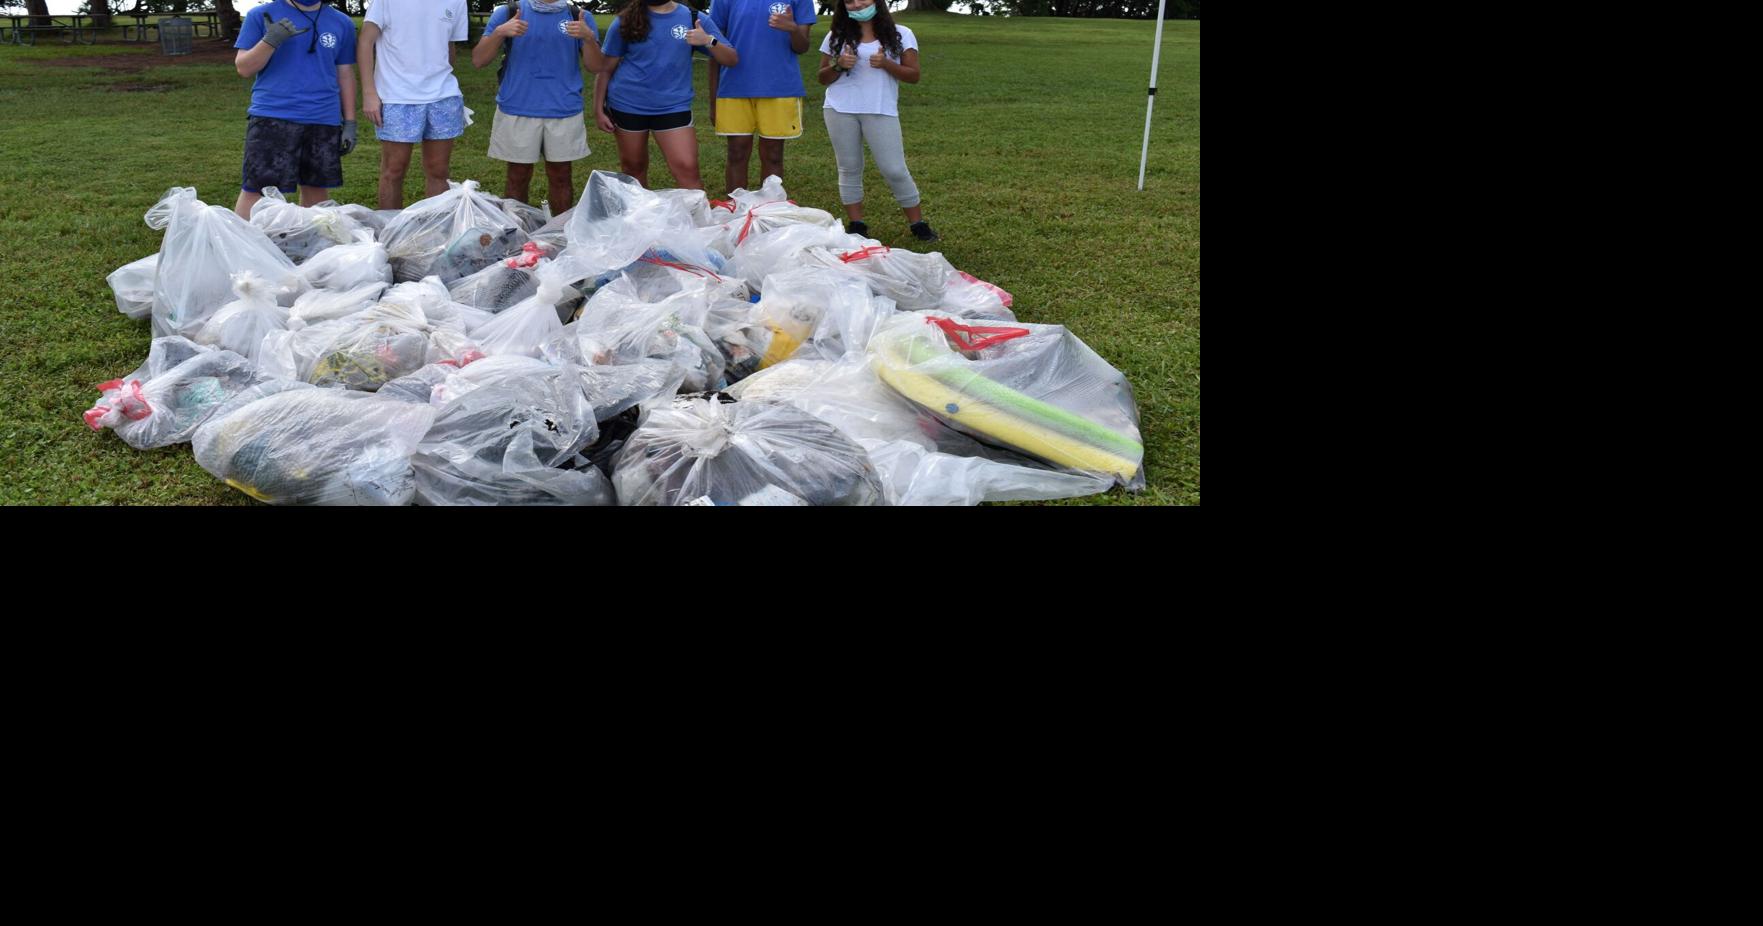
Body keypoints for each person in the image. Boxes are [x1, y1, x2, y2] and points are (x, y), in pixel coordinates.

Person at [816, 0, 937, 241]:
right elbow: (822, 77)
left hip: (879, 109)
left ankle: (918, 224)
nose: (857, 4)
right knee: (849, 167)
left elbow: (913, 75)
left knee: (894, 169)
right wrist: (838, 66)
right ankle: (857, 224)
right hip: (839, 109)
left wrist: (886, 64)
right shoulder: (835, 36)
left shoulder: (901, 34)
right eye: (849, 1)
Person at [472, 1, 606, 214]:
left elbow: (597, 66)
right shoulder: (508, 12)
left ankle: (558, 234)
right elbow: (478, 60)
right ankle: (518, 233)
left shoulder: (578, 16)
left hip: (563, 107)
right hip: (518, 105)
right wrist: (499, 33)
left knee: (561, 175)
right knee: (518, 174)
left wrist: (589, 38)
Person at [231, 0, 358, 220]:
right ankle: (238, 249)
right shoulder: (261, 15)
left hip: (323, 119)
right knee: (257, 191)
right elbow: (244, 68)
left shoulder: (342, 22)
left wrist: (350, 122)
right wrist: (270, 40)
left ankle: (311, 248)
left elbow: (344, 72)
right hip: (273, 116)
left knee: (317, 191)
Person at [594, 1, 736, 191]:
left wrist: (708, 40)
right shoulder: (625, 20)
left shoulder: (694, 18)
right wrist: (598, 110)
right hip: (627, 104)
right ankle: (640, 219)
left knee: (687, 169)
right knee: (633, 169)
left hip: (673, 106)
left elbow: (731, 59)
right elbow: (605, 69)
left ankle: (696, 219)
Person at [358, 0, 471, 210]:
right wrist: (369, 92)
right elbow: (365, 41)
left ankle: (434, 232)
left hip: (443, 97)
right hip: (397, 97)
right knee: (393, 171)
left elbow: (449, 47)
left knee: (439, 171)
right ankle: (391, 234)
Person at [705, 0, 815, 194]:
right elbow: (715, 49)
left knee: (773, 154)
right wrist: (713, 100)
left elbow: (802, 47)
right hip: (734, 86)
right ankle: (737, 211)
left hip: (779, 87)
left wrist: (792, 29)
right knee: (737, 152)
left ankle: (769, 211)